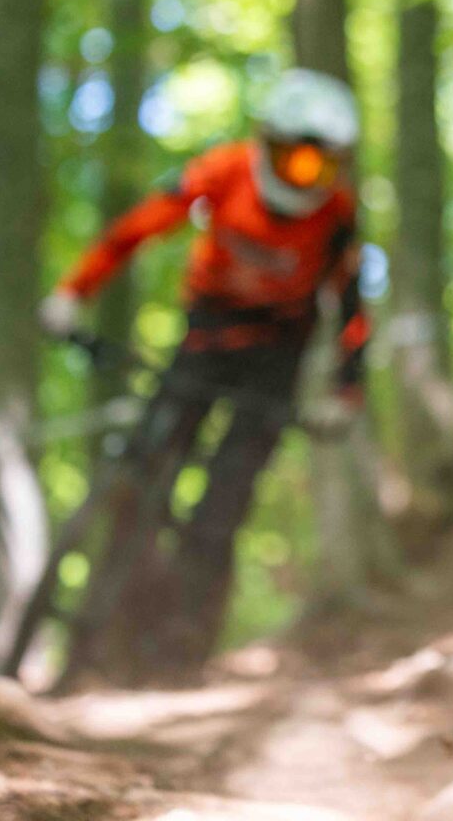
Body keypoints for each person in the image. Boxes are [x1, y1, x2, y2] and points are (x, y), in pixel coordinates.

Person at [38, 67, 369, 677]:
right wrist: (72, 292)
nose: (305, 175)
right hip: (208, 336)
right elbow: (139, 227)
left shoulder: (336, 215)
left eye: (320, 165)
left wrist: (347, 392)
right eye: (294, 159)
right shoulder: (225, 171)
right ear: (268, 143)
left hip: (279, 355)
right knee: (142, 469)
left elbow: (350, 305)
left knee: (224, 503)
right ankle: (106, 623)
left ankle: (182, 643)